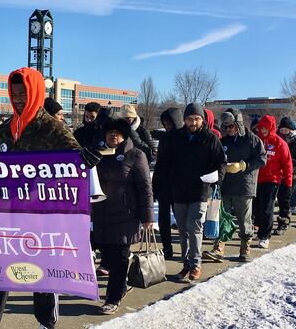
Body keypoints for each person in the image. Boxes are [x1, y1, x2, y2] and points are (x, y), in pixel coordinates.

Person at [0, 67, 99, 329]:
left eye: (24, 93)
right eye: (15, 94)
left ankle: (46, 323)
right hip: (7, 217)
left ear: (36, 93)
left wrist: (85, 160)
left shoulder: (53, 128)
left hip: (41, 218)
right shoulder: (5, 130)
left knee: (41, 275)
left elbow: (75, 163)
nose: (19, 99)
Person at [91, 117, 154, 315]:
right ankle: (122, 285)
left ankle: (113, 298)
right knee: (107, 256)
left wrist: (148, 217)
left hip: (126, 215)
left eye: (118, 132)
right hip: (101, 213)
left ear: (124, 135)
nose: (113, 135)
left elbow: (145, 187)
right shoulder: (96, 153)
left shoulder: (136, 155)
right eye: (110, 132)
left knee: (119, 258)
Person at [164, 102, 226, 283]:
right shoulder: (176, 137)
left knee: (195, 227)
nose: (193, 123)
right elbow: (166, 162)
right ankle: (186, 264)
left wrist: (216, 178)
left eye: (197, 119)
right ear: (184, 120)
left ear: (202, 120)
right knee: (183, 231)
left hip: (200, 191)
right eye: (190, 119)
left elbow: (221, 162)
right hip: (179, 191)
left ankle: (196, 264)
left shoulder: (210, 138)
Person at [203, 108, 265, 263]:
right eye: (226, 126)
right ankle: (219, 247)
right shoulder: (223, 142)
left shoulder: (252, 140)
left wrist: (244, 165)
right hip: (226, 185)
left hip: (244, 186)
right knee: (223, 218)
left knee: (244, 219)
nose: (229, 129)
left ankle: (245, 247)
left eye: (231, 126)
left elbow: (262, 159)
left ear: (239, 124)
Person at [253, 116, 292, 249]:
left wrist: (288, 183)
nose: (263, 130)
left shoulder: (279, 143)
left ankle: (265, 236)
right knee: (256, 208)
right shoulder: (256, 140)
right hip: (255, 179)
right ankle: (259, 230)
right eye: (261, 128)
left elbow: (287, 164)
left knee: (266, 208)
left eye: (266, 128)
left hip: (272, 179)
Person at [151, 107, 184, 259]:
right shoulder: (165, 138)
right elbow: (159, 164)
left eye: (169, 123)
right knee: (163, 220)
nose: (167, 126)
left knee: (181, 218)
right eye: (165, 124)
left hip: (178, 186)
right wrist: (154, 185)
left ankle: (186, 247)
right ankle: (167, 247)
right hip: (164, 185)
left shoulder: (184, 138)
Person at [277, 116, 296, 234]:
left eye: (286, 130)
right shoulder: (278, 139)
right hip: (278, 173)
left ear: (291, 129)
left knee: (285, 198)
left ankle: (284, 221)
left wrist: (294, 162)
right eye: (282, 130)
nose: (283, 132)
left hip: (292, 173)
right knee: (280, 197)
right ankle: (283, 216)